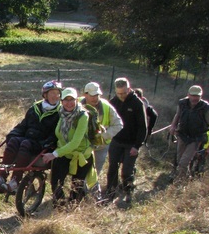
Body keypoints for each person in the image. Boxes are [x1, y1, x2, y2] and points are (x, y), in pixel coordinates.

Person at [0, 80, 62, 194]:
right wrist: (13, 134)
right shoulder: (35, 108)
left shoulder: (60, 112)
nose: (55, 96)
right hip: (29, 139)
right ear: (45, 95)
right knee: (13, 141)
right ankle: (2, 176)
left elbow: (56, 133)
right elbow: (23, 125)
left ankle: (15, 180)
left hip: (43, 143)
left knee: (25, 144)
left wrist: (47, 143)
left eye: (58, 93)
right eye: (52, 93)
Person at [42, 87, 93, 206]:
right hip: (64, 152)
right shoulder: (61, 112)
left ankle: (72, 210)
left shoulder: (82, 116)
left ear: (76, 100)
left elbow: (75, 142)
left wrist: (54, 154)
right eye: (66, 100)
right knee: (55, 182)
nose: (69, 103)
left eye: (72, 100)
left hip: (81, 155)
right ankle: (60, 206)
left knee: (76, 187)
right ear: (61, 101)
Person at [102, 77, 147, 205]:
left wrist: (137, 146)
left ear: (129, 89)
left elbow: (143, 127)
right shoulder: (113, 102)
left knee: (127, 171)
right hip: (116, 141)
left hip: (131, 143)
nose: (121, 96)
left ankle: (128, 191)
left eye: (124, 93)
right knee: (112, 168)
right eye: (119, 93)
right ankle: (110, 193)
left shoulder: (137, 103)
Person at [80, 81, 123, 198]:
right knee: (82, 170)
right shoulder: (76, 104)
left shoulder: (106, 106)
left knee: (95, 171)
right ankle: (83, 193)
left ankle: (91, 195)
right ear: (85, 95)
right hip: (83, 146)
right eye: (92, 95)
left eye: (97, 95)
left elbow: (119, 124)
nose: (95, 98)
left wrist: (104, 136)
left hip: (101, 146)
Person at [168, 85, 209, 179]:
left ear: (201, 96)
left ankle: (181, 182)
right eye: (193, 95)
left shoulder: (205, 108)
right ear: (188, 95)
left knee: (183, 162)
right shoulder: (182, 103)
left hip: (196, 138)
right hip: (182, 135)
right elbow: (177, 115)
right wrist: (173, 126)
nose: (195, 98)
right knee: (180, 161)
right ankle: (186, 178)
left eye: (197, 96)